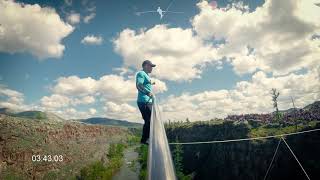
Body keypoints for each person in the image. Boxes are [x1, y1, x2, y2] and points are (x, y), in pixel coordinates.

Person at [136, 60, 156, 145]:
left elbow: (146, 83)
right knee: (148, 120)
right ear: (145, 66)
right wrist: (148, 93)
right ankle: (144, 140)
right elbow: (139, 85)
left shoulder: (147, 76)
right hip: (143, 101)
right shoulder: (141, 73)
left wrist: (151, 83)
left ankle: (148, 138)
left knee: (151, 120)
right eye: (151, 66)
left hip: (148, 101)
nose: (152, 68)